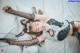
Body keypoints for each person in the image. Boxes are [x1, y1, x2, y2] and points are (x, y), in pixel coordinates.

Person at [2, 6, 80, 45]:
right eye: (37, 29)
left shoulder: (45, 19)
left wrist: (11, 11)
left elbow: (29, 16)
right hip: (74, 34)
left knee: (77, 25)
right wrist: (12, 42)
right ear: (37, 32)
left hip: (72, 25)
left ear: (38, 21)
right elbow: (29, 42)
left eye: (37, 24)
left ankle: (68, 27)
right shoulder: (44, 35)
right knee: (54, 36)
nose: (39, 27)